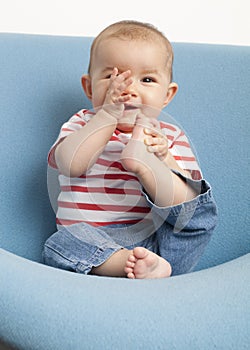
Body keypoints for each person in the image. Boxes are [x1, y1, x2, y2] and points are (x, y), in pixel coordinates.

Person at [43, 20, 217, 279]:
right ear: (90, 87)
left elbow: (183, 207)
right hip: (91, 242)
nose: (128, 89)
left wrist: (157, 161)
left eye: (146, 79)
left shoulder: (169, 137)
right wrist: (106, 116)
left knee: (197, 215)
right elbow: (70, 164)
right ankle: (126, 266)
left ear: (167, 95)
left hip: (154, 247)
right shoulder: (81, 123)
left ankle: (150, 268)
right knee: (58, 244)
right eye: (114, 77)